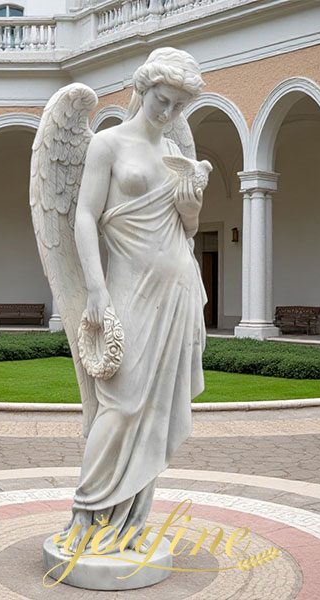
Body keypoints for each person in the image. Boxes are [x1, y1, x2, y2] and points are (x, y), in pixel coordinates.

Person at [62, 47, 208, 552]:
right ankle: (87, 514)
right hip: (126, 288)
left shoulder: (177, 155)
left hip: (177, 291)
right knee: (121, 405)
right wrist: (96, 288)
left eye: (176, 106)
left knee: (155, 412)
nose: (167, 113)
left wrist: (191, 201)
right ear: (142, 90)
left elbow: (187, 229)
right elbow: (84, 215)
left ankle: (129, 526)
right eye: (161, 100)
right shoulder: (107, 144)